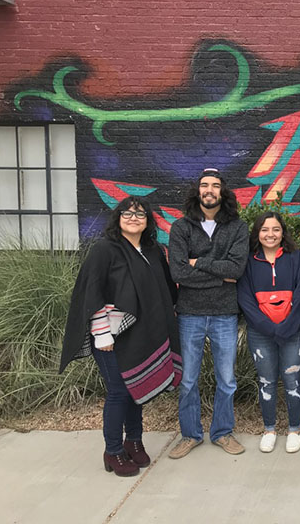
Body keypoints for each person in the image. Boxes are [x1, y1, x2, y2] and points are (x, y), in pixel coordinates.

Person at [60, 196, 182, 477]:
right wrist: (102, 334)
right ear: (118, 218)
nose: (133, 218)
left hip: (141, 335)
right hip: (111, 337)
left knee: (135, 389)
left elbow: (163, 291)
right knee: (119, 392)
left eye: (140, 214)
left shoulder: (152, 250)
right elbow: (92, 292)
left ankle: (134, 441)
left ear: (148, 221)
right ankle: (113, 450)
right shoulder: (105, 250)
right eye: (127, 213)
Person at [167, 168, 249, 459]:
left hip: (225, 313)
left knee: (226, 379)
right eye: (205, 185)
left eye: (215, 186)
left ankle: (223, 432)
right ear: (198, 191)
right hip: (189, 313)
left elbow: (236, 269)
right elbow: (178, 272)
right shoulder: (181, 228)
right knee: (188, 379)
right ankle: (190, 435)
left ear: (223, 192)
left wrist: (197, 262)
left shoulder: (237, 227)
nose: (210, 190)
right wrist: (219, 273)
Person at [237, 211, 300, 454]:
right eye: (265, 229)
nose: (270, 234)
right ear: (257, 233)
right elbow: (245, 300)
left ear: (283, 233)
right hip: (261, 334)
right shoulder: (248, 261)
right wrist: (270, 329)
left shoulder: (297, 258)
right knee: (266, 382)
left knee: (292, 381)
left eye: (276, 229)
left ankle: (294, 429)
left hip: (294, 332)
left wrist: (287, 328)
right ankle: (269, 429)